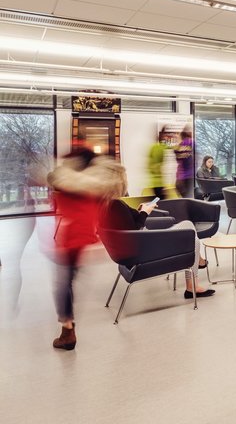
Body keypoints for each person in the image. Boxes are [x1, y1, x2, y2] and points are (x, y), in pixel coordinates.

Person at [46, 148, 127, 350]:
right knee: (67, 282)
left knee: (63, 284)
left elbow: (54, 179)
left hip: (72, 238)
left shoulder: (72, 184)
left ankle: (67, 331)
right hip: (84, 236)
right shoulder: (94, 185)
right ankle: (67, 327)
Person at [103, 199, 215, 300]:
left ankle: (198, 264)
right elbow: (133, 231)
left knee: (188, 226)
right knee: (193, 239)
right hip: (147, 249)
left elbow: (127, 226)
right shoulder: (115, 204)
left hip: (143, 245)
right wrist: (144, 212)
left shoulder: (107, 205)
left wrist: (140, 211)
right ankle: (193, 282)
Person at [148, 127, 169, 200]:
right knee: (162, 200)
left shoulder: (153, 148)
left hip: (155, 182)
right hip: (159, 181)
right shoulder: (162, 147)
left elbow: (149, 165)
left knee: (157, 200)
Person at [174, 126, 194, 198]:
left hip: (181, 176)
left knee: (184, 195)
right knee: (188, 196)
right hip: (189, 175)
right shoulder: (192, 143)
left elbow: (177, 160)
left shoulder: (179, 146)